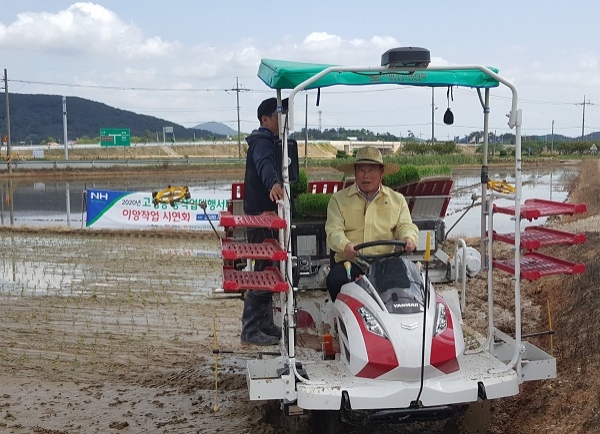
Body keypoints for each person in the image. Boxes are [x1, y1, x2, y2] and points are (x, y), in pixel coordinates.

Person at [325, 146, 419, 301]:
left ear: (381, 172)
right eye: (361, 170)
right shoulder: (338, 199)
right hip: (352, 263)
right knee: (336, 280)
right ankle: (342, 319)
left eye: (371, 170)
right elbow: (333, 231)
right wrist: (345, 245)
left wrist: (409, 238)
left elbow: (406, 226)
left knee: (405, 283)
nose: (366, 176)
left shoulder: (397, 200)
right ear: (354, 172)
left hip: (385, 263)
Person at [240, 97, 288, 345]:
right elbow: (265, 166)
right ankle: (250, 329)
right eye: (279, 116)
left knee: (270, 269)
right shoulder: (262, 143)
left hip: (264, 216)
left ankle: (266, 323)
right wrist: (273, 185)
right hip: (261, 218)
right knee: (264, 271)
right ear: (265, 119)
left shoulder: (270, 141)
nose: (284, 121)